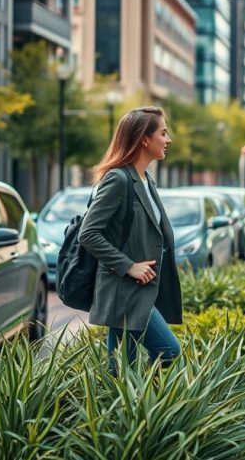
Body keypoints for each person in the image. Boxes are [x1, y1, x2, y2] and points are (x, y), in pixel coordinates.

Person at [79, 106, 182, 370]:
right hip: (123, 290)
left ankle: (136, 407)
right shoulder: (118, 179)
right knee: (167, 351)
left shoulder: (145, 179)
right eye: (163, 132)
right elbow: (88, 233)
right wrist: (129, 265)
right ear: (145, 139)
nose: (168, 139)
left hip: (138, 292)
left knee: (123, 368)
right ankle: (140, 406)